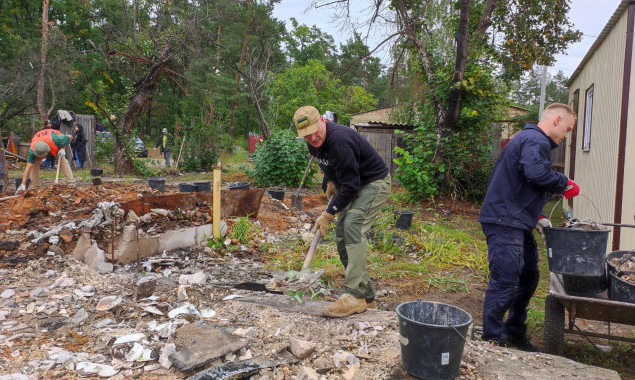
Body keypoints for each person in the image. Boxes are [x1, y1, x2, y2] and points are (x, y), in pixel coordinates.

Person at [478, 103, 580, 351]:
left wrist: (539, 216)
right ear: (557, 120)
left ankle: (513, 331)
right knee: (507, 279)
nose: (566, 135)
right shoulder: (536, 140)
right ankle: (491, 338)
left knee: (528, 276)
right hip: (505, 221)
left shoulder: (530, 139)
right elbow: (537, 173)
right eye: (567, 129)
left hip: (515, 219)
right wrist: (564, 183)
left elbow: (521, 183)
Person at [293, 106, 391, 318]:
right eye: (306, 135)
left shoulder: (340, 141)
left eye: (313, 130)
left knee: (352, 225)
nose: (311, 137)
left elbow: (352, 185)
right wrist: (329, 181)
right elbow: (331, 168)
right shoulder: (314, 144)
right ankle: (367, 298)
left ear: (322, 120)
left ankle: (354, 295)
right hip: (352, 183)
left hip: (373, 183)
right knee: (341, 237)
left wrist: (328, 213)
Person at [15, 127, 74, 194]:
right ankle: (35, 185)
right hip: (41, 140)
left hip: (51, 138)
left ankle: (70, 182)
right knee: (34, 164)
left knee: (62, 159)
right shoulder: (32, 150)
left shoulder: (57, 140)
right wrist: (23, 185)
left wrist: (63, 148)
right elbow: (28, 167)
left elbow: (70, 137)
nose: (40, 158)